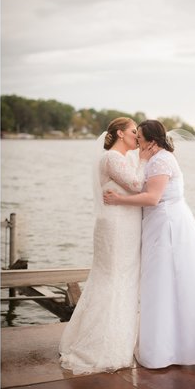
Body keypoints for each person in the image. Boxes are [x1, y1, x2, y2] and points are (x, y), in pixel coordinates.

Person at [103, 119, 195, 368]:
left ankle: (174, 349)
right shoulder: (154, 159)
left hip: (168, 226)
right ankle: (166, 345)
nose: (138, 142)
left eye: (141, 138)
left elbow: (153, 198)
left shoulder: (162, 160)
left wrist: (119, 200)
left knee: (166, 281)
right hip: (159, 223)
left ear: (152, 142)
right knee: (160, 283)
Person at [60, 118, 144, 374]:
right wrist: (150, 162)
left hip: (127, 223)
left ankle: (118, 337)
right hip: (117, 225)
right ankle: (103, 345)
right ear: (120, 133)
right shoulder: (112, 159)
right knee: (114, 278)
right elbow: (137, 185)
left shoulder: (125, 158)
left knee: (124, 278)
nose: (137, 137)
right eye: (133, 132)